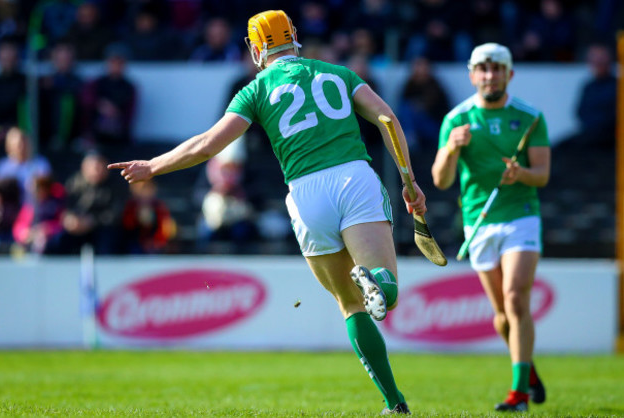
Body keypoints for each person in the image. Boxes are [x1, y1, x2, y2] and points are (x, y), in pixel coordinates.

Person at [109, 9, 427, 415]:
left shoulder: (253, 91)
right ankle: (378, 278)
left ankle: (394, 403)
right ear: (294, 37)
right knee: (387, 294)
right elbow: (386, 118)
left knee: (350, 305)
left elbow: (207, 145)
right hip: (354, 178)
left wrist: (153, 166)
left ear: (257, 48)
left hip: (306, 194)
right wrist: (408, 180)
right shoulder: (337, 72)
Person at [431, 43, 549, 412]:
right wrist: (451, 149)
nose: (489, 75)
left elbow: (542, 176)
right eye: (482, 68)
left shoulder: (530, 117)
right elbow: (440, 180)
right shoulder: (456, 119)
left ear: (509, 74)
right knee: (501, 316)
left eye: (497, 68)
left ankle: (518, 394)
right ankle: (526, 369)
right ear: (472, 75)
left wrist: (521, 174)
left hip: (521, 215)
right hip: (477, 221)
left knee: (516, 299)